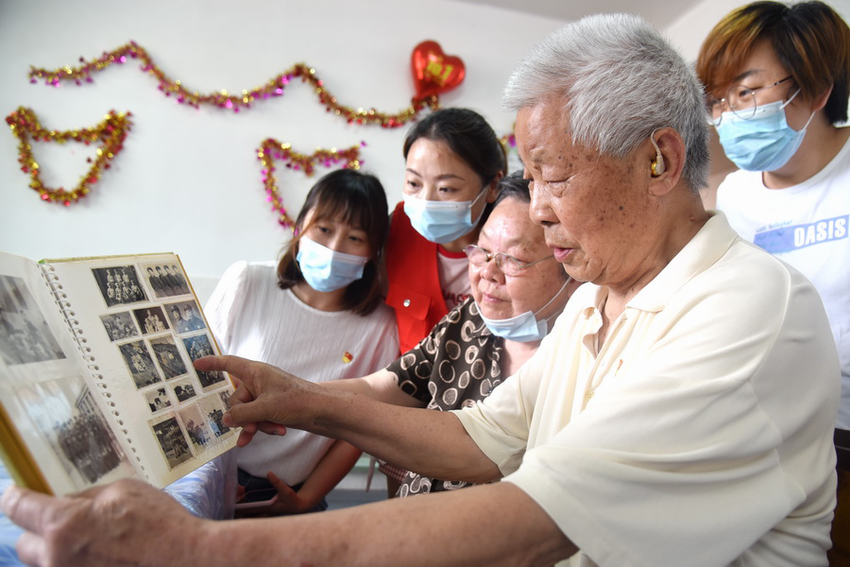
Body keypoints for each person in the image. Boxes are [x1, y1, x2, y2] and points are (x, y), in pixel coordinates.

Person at [2, 13, 841, 567]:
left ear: (658, 160)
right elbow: (484, 438)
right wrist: (300, 396)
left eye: (550, 176)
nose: (535, 209)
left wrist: (192, 549)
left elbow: (530, 525)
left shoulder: (750, 312)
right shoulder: (594, 296)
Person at [695, 1, 850, 560]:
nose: (730, 114)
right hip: (767, 439)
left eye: (747, 91)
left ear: (815, 88)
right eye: (719, 100)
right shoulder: (733, 197)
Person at [326, 172, 580, 497]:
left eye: (514, 260)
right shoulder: (469, 320)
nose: (488, 272)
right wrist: (290, 394)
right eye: (483, 251)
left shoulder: (581, 357)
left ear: (571, 269)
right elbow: (382, 386)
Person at [203, 168, 399, 515]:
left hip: (288, 496)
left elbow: (357, 430)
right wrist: (211, 472)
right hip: (208, 472)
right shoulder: (247, 281)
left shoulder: (381, 326)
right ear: (300, 227)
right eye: (323, 229)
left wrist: (306, 498)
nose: (335, 247)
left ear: (373, 251)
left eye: (355, 237)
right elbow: (198, 376)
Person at [382, 106, 505, 494]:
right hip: (406, 418)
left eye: (447, 189)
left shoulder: (516, 243)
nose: (427, 201)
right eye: (414, 183)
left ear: (494, 185)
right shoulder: (399, 229)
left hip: (489, 427)